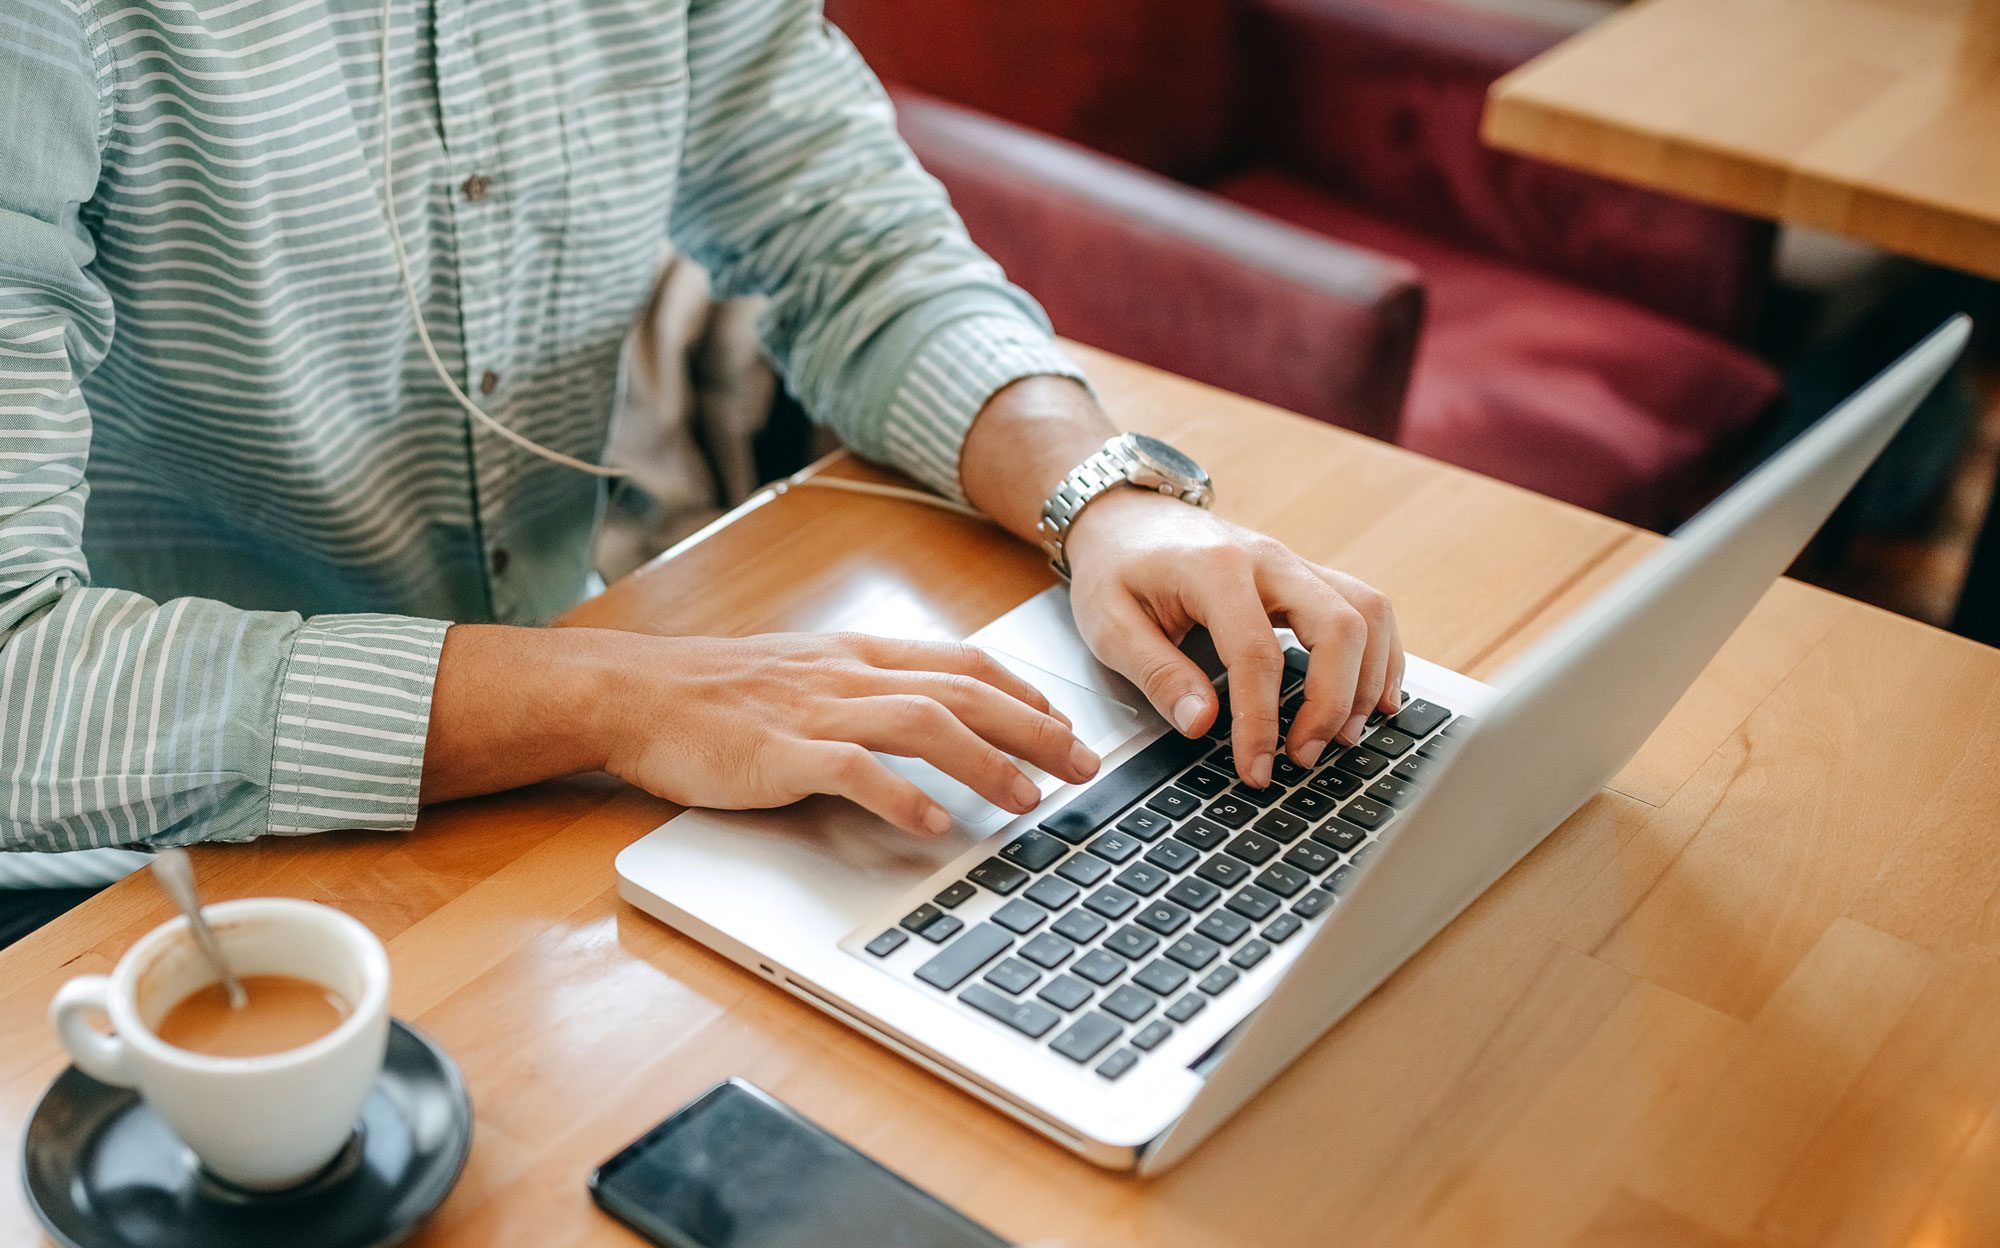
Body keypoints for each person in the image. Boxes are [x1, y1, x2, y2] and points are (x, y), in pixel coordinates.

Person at [0, 0, 1402, 906]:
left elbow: (850, 240)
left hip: (563, 770)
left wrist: (1108, 504)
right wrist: (609, 691)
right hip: (150, 864)